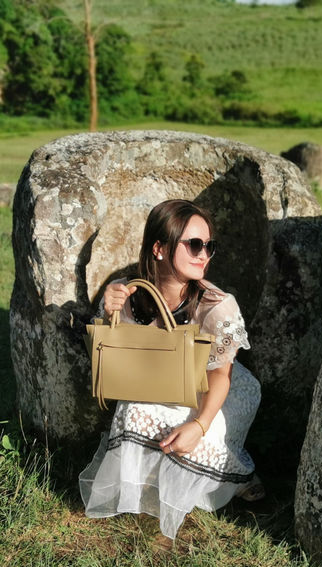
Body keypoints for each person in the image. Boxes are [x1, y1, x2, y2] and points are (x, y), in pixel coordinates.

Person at [79, 199, 264, 539]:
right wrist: (110, 313)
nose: (203, 254)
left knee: (197, 436)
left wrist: (199, 424)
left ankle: (233, 475)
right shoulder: (131, 291)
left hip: (219, 389)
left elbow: (220, 375)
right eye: (194, 244)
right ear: (159, 248)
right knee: (133, 409)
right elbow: (116, 351)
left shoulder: (217, 305)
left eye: (209, 246)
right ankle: (150, 487)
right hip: (161, 382)